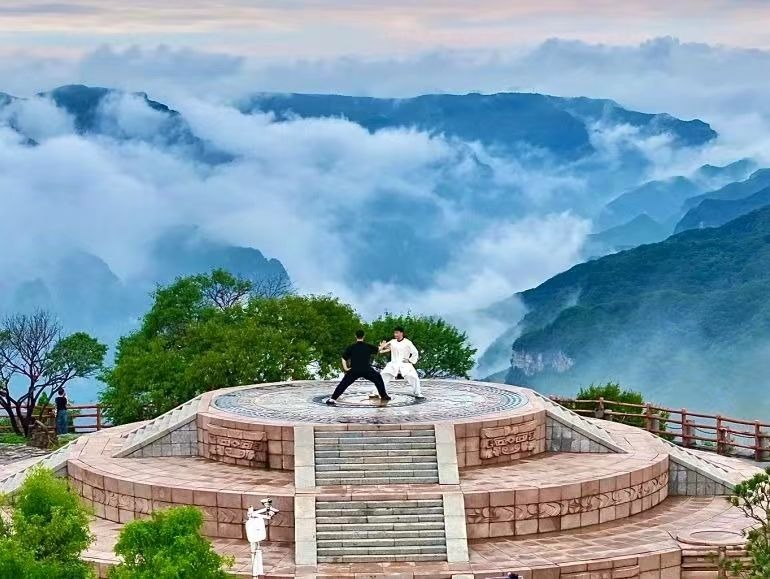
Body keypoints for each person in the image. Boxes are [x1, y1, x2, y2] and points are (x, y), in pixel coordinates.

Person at [326, 329, 391, 406]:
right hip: (366, 369)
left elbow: (343, 358)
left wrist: (346, 368)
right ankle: (384, 396)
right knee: (378, 378)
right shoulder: (367, 346)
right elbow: (378, 349)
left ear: (355, 336)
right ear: (364, 336)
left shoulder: (351, 347)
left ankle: (332, 399)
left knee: (343, 384)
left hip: (354, 370)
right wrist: (383, 345)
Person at [376, 326, 423, 399]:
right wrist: (382, 346)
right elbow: (383, 348)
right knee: (383, 376)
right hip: (393, 364)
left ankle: (418, 393)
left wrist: (410, 360)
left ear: (401, 333)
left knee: (413, 377)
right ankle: (377, 392)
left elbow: (415, 352)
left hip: (404, 364)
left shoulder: (408, 342)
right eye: (394, 333)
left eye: (397, 333)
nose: (395, 334)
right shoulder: (392, 341)